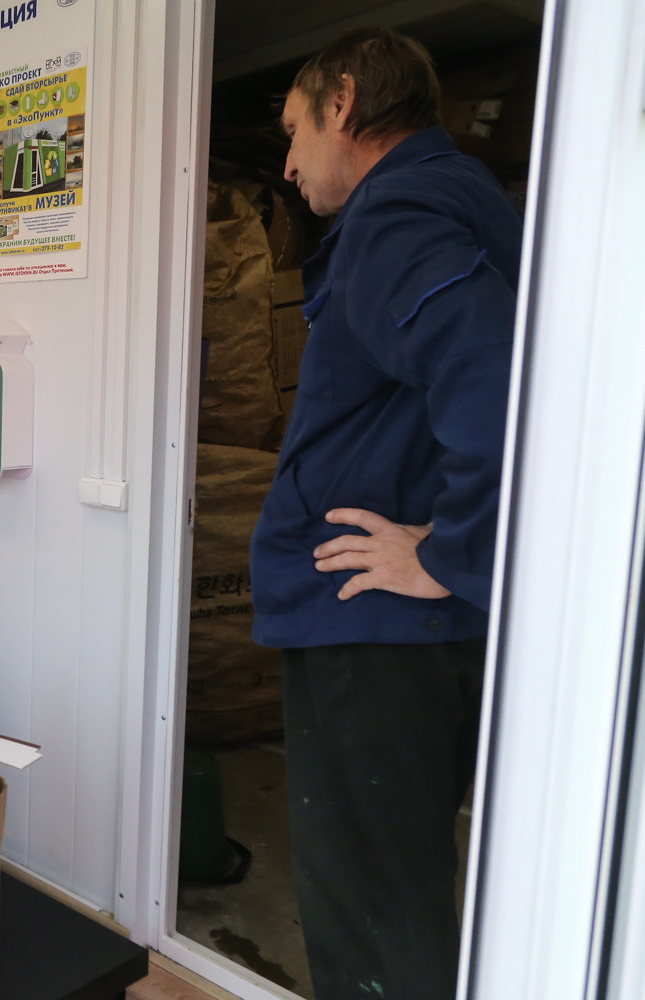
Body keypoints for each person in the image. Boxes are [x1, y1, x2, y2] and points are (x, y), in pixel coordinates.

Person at [248, 28, 521, 1000]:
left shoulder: (400, 215)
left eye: (293, 129)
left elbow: (493, 383)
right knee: (398, 889)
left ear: (343, 105)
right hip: (393, 628)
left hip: (376, 625)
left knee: (369, 903)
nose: (286, 163)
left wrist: (454, 549)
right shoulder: (456, 203)